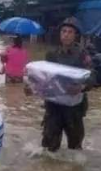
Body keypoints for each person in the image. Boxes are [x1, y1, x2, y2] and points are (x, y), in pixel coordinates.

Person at [36, 17, 92, 151]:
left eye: (70, 32)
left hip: (74, 107)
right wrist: (32, 87)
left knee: (75, 147)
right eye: (64, 31)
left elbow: (92, 76)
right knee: (49, 147)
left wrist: (81, 87)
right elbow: (44, 76)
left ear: (75, 35)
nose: (66, 35)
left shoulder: (82, 55)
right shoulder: (51, 55)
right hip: (53, 106)